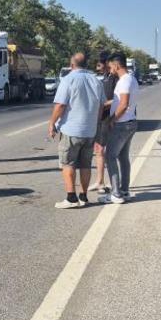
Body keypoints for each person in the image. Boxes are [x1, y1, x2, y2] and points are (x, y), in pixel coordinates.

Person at [47, 52, 104, 209]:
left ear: (72, 65)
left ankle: (71, 198)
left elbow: (60, 105)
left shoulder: (68, 80)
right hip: (90, 131)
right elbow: (100, 106)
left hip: (71, 130)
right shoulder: (96, 81)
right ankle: (83, 196)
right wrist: (95, 123)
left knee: (68, 163)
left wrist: (52, 123)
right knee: (86, 164)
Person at [98, 52, 139, 204]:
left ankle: (116, 193)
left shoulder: (124, 81)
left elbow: (123, 104)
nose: (109, 70)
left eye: (110, 67)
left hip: (122, 124)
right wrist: (106, 104)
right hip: (130, 122)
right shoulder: (131, 79)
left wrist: (111, 119)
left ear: (116, 65)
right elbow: (119, 101)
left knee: (110, 156)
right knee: (123, 157)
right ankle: (124, 190)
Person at [89, 51, 118, 193]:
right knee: (98, 150)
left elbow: (120, 100)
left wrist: (103, 104)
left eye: (100, 63)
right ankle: (99, 181)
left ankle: (113, 185)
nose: (98, 66)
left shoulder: (115, 78)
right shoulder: (105, 77)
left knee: (104, 151)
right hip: (101, 117)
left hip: (108, 118)